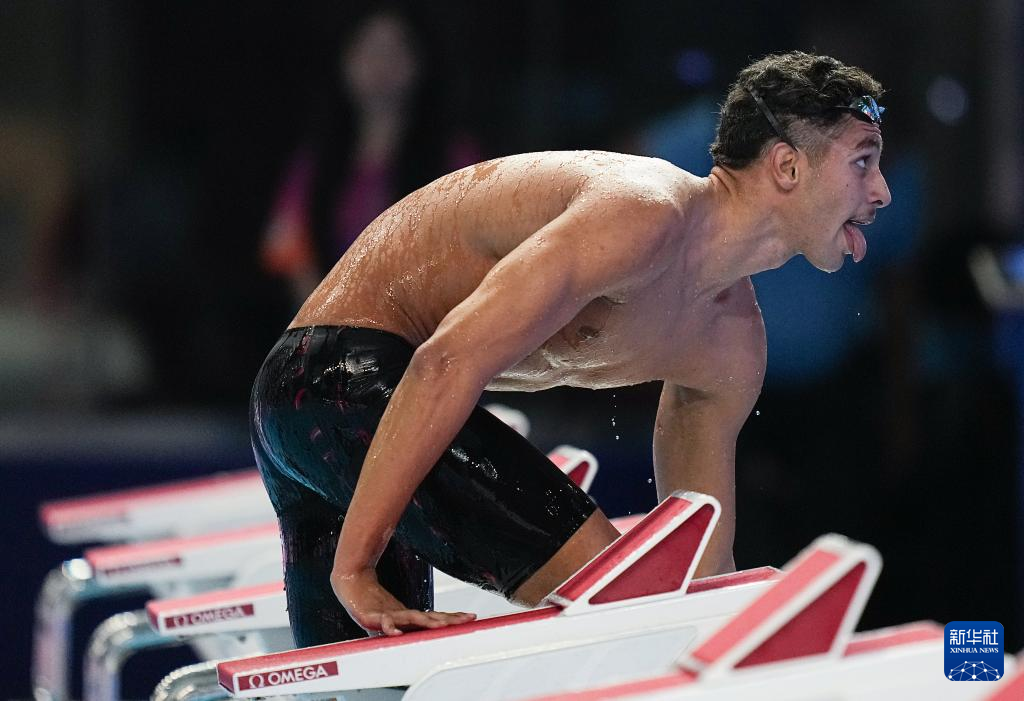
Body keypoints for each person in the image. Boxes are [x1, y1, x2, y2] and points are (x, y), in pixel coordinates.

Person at [250, 51, 891, 646]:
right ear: (787, 166)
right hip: (338, 378)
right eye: (863, 161)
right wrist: (356, 567)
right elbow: (444, 361)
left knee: (363, 689)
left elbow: (702, 571)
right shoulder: (643, 215)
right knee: (628, 606)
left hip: (335, 412)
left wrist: (737, 659)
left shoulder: (730, 343)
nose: (882, 191)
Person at [260, 6, 481, 305]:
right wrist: (330, 318)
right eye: (369, 50)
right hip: (330, 322)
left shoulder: (455, 159)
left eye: (395, 51)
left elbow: (476, 251)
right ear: (344, 61)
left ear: (420, 63)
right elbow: (288, 248)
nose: (381, 65)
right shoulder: (315, 162)